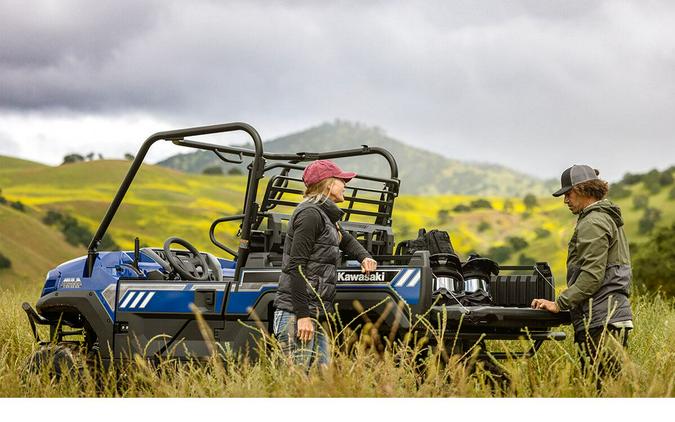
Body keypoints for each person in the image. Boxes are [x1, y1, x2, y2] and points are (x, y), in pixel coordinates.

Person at [531, 164, 633, 382]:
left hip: (600, 320)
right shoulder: (606, 217)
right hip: (610, 317)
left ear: (582, 189)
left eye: (568, 193)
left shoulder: (593, 221)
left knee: (601, 389)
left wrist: (560, 303)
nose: (565, 200)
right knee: (608, 388)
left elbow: (592, 276)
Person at [273, 159, 378, 369]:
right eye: (342, 181)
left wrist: (364, 257)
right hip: (297, 315)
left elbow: (345, 239)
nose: (345, 185)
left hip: (316, 313)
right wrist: (303, 315)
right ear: (329, 184)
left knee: (321, 380)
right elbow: (296, 268)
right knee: (295, 385)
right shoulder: (310, 214)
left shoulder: (326, 217)